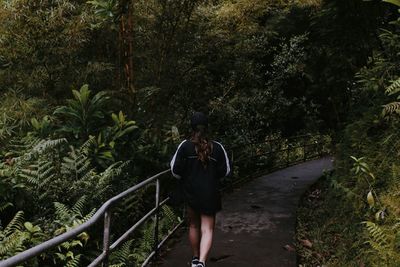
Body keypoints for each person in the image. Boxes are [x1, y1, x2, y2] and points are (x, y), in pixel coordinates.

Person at [170, 112, 230, 267]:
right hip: (210, 194)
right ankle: (201, 262)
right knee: (207, 229)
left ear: (191, 128)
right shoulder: (217, 148)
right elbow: (225, 171)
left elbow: (175, 170)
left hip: (191, 193)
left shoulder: (184, 146)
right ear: (207, 128)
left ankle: (195, 258)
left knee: (193, 225)